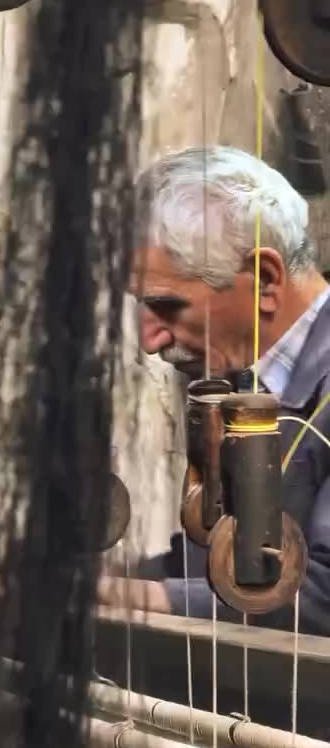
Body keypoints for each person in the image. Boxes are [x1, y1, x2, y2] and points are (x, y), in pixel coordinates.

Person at [98, 145, 330, 633]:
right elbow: (221, 564)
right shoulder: (241, 382)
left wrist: (133, 595)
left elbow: (322, 596)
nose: (149, 339)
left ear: (265, 281)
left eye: (166, 306)